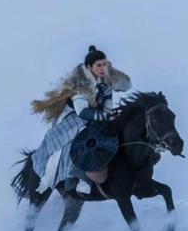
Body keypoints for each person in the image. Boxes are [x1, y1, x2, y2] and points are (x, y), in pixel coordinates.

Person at [29, 45, 131, 194]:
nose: (103, 68)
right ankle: (78, 177)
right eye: (99, 65)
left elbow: (108, 101)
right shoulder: (80, 84)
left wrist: (109, 115)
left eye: (104, 64)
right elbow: (82, 112)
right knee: (80, 137)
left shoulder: (106, 80)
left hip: (94, 114)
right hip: (73, 118)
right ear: (89, 67)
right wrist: (103, 116)